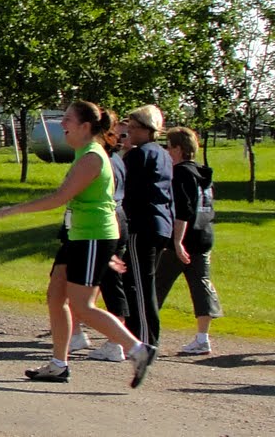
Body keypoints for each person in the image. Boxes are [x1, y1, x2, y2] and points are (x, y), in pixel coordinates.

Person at [0, 101, 157, 387]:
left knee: (82, 306)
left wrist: (14, 209)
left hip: (94, 236)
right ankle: (58, 364)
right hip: (79, 235)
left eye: (67, 119)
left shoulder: (92, 157)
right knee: (56, 295)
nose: (62, 123)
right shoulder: (83, 153)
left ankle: (138, 350)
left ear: (85, 126)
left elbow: (60, 197)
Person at [157, 126, 221, 355]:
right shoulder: (202, 173)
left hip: (184, 239)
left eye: (168, 146)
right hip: (204, 235)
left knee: (155, 284)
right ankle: (202, 337)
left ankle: (141, 334)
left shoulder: (181, 173)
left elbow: (183, 211)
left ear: (177, 149)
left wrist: (176, 241)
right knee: (201, 285)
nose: (166, 150)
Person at [121, 104, 174, 349]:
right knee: (142, 280)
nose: (129, 132)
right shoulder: (163, 154)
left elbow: (127, 191)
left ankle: (145, 339)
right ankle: (139, 334)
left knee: (139, 284)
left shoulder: (138, 155)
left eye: (133, 128)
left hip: (142, 224)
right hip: (161, 223)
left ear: (147, 129)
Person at [82, 112, 133, 363]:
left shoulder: (103, 160)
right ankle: (80, 331)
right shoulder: (116, 159)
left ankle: (118, 342)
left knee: (110, 284)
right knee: (100, 282)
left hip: (107, 222)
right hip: (116, 219)